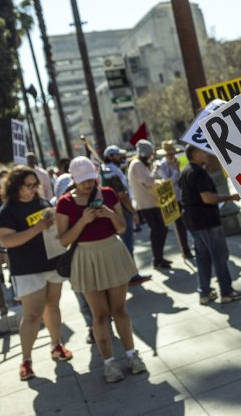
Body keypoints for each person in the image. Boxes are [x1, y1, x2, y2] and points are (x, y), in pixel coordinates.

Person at [55, 157, 146, 383]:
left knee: (120, 309)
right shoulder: (65, 203)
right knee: (100, 315)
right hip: (86, 256)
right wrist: (83, 221)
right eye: (83, 181)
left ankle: (132, 355)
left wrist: (110, 214)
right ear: (74, 180)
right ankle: (108, 363)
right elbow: (63, 240)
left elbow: (122, 227)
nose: (88, 184)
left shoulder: (107, 193)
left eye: (91, 179)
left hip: (112, 251)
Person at [0, 166, 73, 381]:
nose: (32, 189)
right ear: (15, 186)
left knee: (53, 306)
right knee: (32, 315)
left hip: (52, 263)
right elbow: (6, 240)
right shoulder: (8, 211)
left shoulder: (42, 203)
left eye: (35, 184)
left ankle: (56, 346)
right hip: (27, 269)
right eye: (27, 185)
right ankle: (26, 360)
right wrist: (37, 228)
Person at [178, 145, 241, 305]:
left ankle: (205, 292)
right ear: (195, 154)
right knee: (219, 256)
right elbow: (207, 198)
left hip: (193, 221)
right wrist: (230, 197)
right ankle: (227, 292)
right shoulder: (198, 172)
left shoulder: (186, 170)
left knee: (203, 258)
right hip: (206, 220)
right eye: (203, 152)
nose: (207, 155)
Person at [102, 145, 151, 285]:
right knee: (127, 244)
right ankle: (131, 274)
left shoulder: (112, 170)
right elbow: (122, 195)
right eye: (117, 155)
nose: (120, 157)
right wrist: (133, 211)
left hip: (118, 211)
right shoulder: (112, 172)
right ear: (111, 156)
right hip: (122, 211)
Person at [128, 140, 171, 269]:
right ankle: (157, 258)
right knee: (159, 229)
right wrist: (155, 170)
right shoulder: (137, 165)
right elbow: (148, 182)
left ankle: (159, 257)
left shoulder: (140, 164)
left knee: (161, 229)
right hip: (147, 203)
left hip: (151, 201)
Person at [155, 140, 193, 259]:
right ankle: (185, 249)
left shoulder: (179, 161)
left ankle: (191, 246)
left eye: (172, 153)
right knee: (179, 226)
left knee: (189, 221)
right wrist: (176, 171)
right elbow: (168, 182)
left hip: (184, 196)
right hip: (172, 199)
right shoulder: (161, 166)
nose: (170, 156)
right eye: (168, 154)